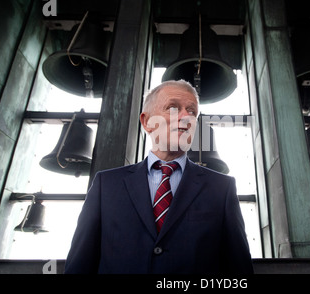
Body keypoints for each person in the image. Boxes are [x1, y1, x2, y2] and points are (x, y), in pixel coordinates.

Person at [64, 80, 253, 274]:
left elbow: (239, 272)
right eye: (172, 108)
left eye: (192, 111)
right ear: (147, 122)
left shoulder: (222, 188)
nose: (185, 117)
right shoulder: (106, 185)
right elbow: (80, 264)